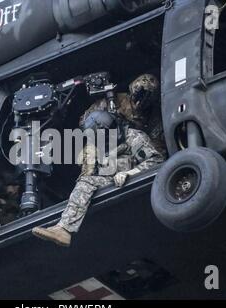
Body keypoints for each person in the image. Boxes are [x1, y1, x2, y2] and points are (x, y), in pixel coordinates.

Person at [32, 75, 165, 247]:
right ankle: (63, 229)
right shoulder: (108, 110)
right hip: (111, 173)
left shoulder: (134, 136)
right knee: (86, 181)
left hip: (131, 173)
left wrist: (130, 173)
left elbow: (158, 159)